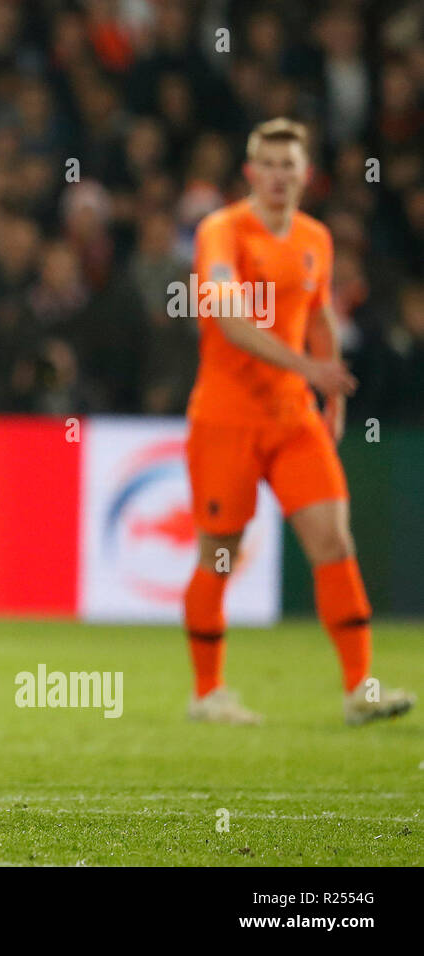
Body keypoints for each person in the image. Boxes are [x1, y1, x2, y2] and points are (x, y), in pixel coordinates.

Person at [182, 117, 414, 725]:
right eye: (269, 165)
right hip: (227, 419)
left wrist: (331, 393)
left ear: (306, 175)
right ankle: (207, 692)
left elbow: (319, 316)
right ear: (250, 172)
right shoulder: (222, 231)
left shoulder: (315, 237)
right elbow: (230, 323)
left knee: (334, 541)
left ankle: (359, 689)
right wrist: (312, 368)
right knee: (220, 555)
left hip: (293, 417)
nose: (280, 176)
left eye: (291, 166)